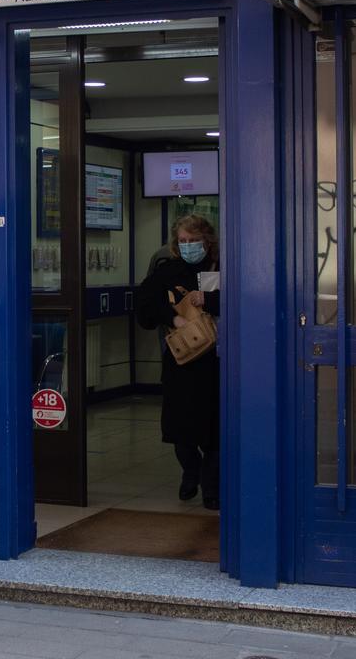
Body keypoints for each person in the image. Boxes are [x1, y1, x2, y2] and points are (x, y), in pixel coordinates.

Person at [136, 214, 221, 509]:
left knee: (214, 430)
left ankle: (212, 487)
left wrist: (208, 300)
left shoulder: (223, 266)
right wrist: (173, 316)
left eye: (193, 241)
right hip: (182, 360)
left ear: (206, 241)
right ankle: (190, 472)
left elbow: (246, 301)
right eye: (182, 241)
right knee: (179, 427)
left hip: (216, 360)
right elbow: (145, 304)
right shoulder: (167, 270)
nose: (187, 246)